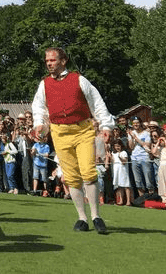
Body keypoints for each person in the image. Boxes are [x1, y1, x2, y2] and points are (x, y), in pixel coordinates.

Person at [31, 46, 114, 234]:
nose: (49, 64)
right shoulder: (44, 84)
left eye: (52, 60)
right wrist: (38, 125)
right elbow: (39, 108)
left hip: (82, 129)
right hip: (59, 133)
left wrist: (106, 125)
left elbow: (97, 102)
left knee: (88, 171)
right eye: (46, 61)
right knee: (70, 176)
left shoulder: (79, 79)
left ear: (63, 60)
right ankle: (82, 218)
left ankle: (96, 216)